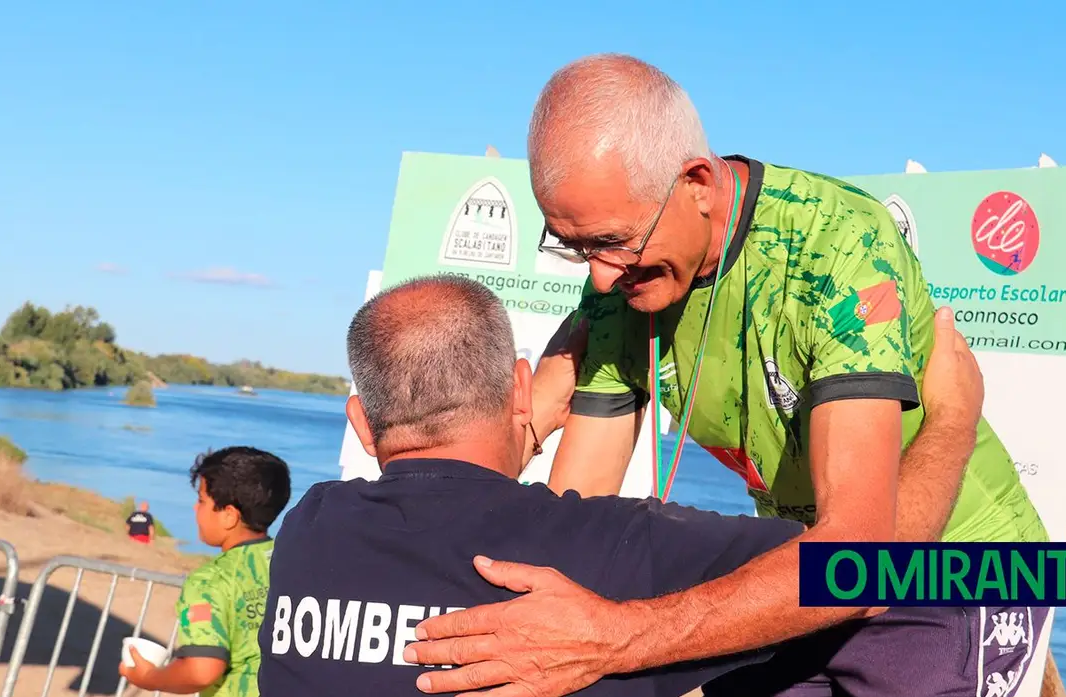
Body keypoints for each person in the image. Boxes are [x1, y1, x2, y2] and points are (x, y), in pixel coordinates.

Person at [407, 54, 1054, 697]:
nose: (599, 276)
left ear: (696, 181)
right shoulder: (619, 283)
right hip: (807, 566)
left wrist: (615, 636)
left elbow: (860, 556)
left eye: (613, 241)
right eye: (576, 247)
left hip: (953, 570)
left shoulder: (835, 246)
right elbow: (575, 510)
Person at [257, 276, 981, 697]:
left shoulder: (310, 531)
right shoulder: (610, 551)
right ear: (519, 384)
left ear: (360, 420)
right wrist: (951, 421)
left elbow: (447, 512)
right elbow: (881, 571)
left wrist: (523, 428)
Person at [120, 446, 291, 697]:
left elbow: (202, 670)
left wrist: (150, 677)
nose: (194, 509)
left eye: (201, 501)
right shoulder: (291, 560)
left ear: (229, 516)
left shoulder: (209, 581)